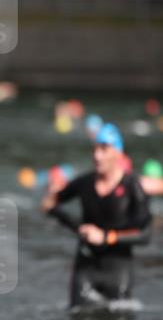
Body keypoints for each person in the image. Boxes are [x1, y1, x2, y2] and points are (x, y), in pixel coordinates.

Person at [41, 124, 151, 308]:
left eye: (104, 149)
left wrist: (106, 237)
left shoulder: (132, 187)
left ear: (117, 153)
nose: (96, 155)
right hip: (86, 267)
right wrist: (77, 227)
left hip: (117, 270)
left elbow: (145, 234)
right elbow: (48, 204)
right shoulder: (84, 183)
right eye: (95, 149)